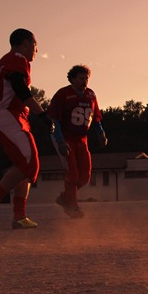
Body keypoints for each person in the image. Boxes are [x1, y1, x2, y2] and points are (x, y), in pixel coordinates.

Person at [0, 28, 46, 229]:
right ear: (25, 43)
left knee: (25, 167)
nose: (37, 49)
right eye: (35, 44)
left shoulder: (10, 60)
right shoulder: (17, 58)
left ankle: (19, 215)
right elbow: (20, 87)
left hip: (12, 116)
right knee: (29, 162)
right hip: (7, 115)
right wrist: (42, 113)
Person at [48, 65, 108, 218]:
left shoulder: (91, 95)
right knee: (73, 174)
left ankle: (65, 198)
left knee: (85, 176)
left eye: (87, 78)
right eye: (81, 78)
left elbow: (95, 119)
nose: (85, 81)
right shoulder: (63, 94)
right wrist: (60, 141)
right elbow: (55, 121)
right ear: (72, 79)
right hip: (65, 137)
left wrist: (101, 134)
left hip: (82, 139)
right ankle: (72, 207)